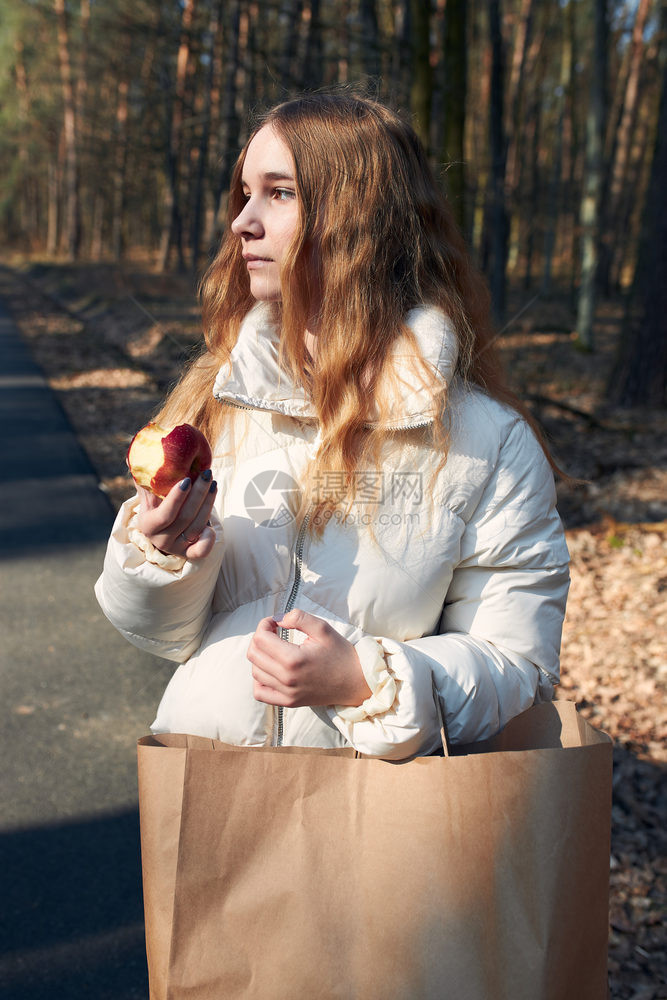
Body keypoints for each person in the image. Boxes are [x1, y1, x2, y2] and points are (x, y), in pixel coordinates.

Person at [95, 91, 570, 759]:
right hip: (207, 793)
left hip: (374, 825)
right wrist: (161, 558)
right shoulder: (217, 401)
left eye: (278, 193)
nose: (242, 223)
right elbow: (160, 634)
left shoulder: (484, 445)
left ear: (359, 220)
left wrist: (365, 683)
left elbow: (518, 665)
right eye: (244, 193)